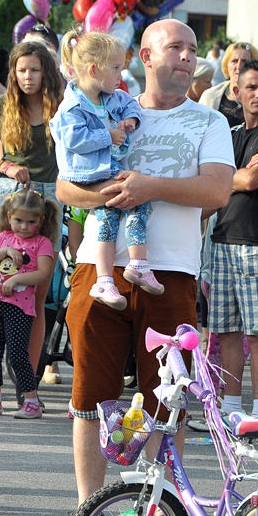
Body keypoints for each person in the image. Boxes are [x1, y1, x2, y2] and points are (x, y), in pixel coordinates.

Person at [52, 19, 234, 516]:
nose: (187, 56)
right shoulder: (104, 105)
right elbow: (65, 185)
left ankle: (157, 511)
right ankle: (89, 509)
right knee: (91, 394)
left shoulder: (208, 121)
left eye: (193, 49)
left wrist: (149, 186)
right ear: (146, 58)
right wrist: (112, 195)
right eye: (175, 47)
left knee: (166, 398)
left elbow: (218, 190)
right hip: (99, 268)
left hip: (171, 274)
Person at [0, 41, 65, 406]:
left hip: (49, 200)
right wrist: (4, 165)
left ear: (46, 72)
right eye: (21, 70)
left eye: (34, 69)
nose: (27, 76)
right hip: (8, 198)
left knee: (35, 298)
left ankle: (28, 389)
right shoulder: (3, 105)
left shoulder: (63, 105)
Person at [51, 32, 162, 310]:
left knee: (128, 210)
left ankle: (129, 268)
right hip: (90, 174)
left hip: (110, 168)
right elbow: (73, 139)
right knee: (115, 215)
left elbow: (131, 104)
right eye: (114, 68)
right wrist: (107, 136)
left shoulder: (113, 97)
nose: (120, 73)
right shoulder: (70, 108)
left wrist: (130, 120)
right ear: (93, 69)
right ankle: (109, 276)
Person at [209, 59, 258, 421]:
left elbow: (251, 181)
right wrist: (234, 176)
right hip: (221, 240)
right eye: (251, 87)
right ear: (235, 92)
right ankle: (231, 408)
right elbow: (214, 180)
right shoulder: (228, 132)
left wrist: (231, 177)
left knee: (257, 334)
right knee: (225, 331)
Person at [0, 190, 57, 418]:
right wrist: (5, 250)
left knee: (18, 354)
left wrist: (17, 278)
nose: (23, 226)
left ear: (40, 221)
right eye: (19, 220)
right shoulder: (3, 238)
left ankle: (30, 400)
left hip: (19, 307)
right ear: (9, 216)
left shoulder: (42, 243)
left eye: (31, 222)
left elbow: (43, 274)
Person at [199, 41, 258, 126]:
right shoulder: (210, 96)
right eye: (234, 61)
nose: (238, 66)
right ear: (226, 65)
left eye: (244, 61)